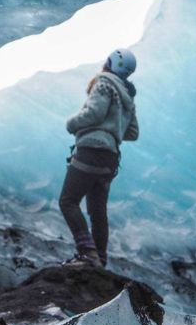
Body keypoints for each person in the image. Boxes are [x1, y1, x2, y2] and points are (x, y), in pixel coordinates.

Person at [59, 48, 138, 268]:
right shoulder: (127, 97)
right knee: (97, 211)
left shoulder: (104, 83)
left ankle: (87, 254)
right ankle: (100, 260)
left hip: (91, 151)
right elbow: (132, 133)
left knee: (68, 201)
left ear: (110, 62)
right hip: (110, 158)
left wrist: (71, 123)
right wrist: (113, 128)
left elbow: (94, 113)